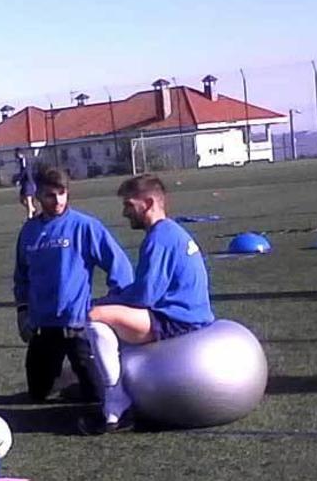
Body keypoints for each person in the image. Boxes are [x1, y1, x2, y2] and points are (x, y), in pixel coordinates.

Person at [79, 174, 215, 435]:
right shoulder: (171, 231)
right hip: (186, 315)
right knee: (105, 312)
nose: (124, 212)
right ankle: (116, 397)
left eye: (130, 205)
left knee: (93, 315)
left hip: (176, 321)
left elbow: (145, 297)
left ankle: (117, 407)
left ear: (149, 203)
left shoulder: (159, 238)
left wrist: (108, 301)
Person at [14, 165, 133, 403]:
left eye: (62, 193)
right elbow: (21, 276)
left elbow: (120, 268)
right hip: (42, 328)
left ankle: (85, 374)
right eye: (50, 194)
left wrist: (114, 305)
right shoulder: (29, 231)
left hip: (77, 327)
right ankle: (67, 377)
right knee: (37, 395)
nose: (57, 200)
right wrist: (22, 311)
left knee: (96, 398)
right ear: (38, 195)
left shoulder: (85, 226)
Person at [14, 150, 37, 219]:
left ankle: (30, 216)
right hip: (25, 183)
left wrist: (19, 179)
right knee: (22, 200)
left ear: (20, 153)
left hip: (28, 182)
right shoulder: (21, 161)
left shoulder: (24, 160)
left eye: (17, 154)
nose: (16, 155)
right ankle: (33, 209)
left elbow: (25, 170)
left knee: (28, 200)